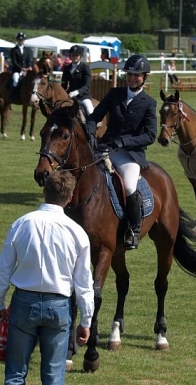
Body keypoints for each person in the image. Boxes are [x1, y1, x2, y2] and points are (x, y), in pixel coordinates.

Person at [0, 170, 94, 385]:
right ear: (69, 198)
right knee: (53, 376)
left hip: (24, 302)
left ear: (44, 190)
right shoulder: (77, 232)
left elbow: (2, 271)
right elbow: (84, 283)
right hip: (58, 305)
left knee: (15, 374)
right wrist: (86, 321)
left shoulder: (22, 223)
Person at [85, 55, 157, 250]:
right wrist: (90, 130)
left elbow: (150, 135)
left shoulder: (148, 103)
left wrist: (124, 141)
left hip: (129, 154)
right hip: (105, 147)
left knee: (129, 187)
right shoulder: (115, 94)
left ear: (144, 77)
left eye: (137, 75)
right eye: (130, 74)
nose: (132, 78)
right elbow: (94, 116)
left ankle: (133, 230)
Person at [61, 45, 94, 117]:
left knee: (90, 111)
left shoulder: (85, 68)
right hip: (70, 97)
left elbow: (87, 86)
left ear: (80, 56)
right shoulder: (67, 68)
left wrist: (76, 92)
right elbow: (64, 84)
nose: (74, 57)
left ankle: (92, 126)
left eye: (76, 55)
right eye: (72, 55)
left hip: (83, 97)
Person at [9, 32, 33, 102]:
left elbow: (29, 60)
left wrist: (30, 66)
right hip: (17, 70)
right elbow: (14, 61)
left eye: (22, 40)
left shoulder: (28, 50)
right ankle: (13, 96)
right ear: (17, 40)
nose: (21, 41)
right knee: (16, 81)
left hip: (27, 70)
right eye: (20, 40)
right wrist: (21, 68)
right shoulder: (14, 50)